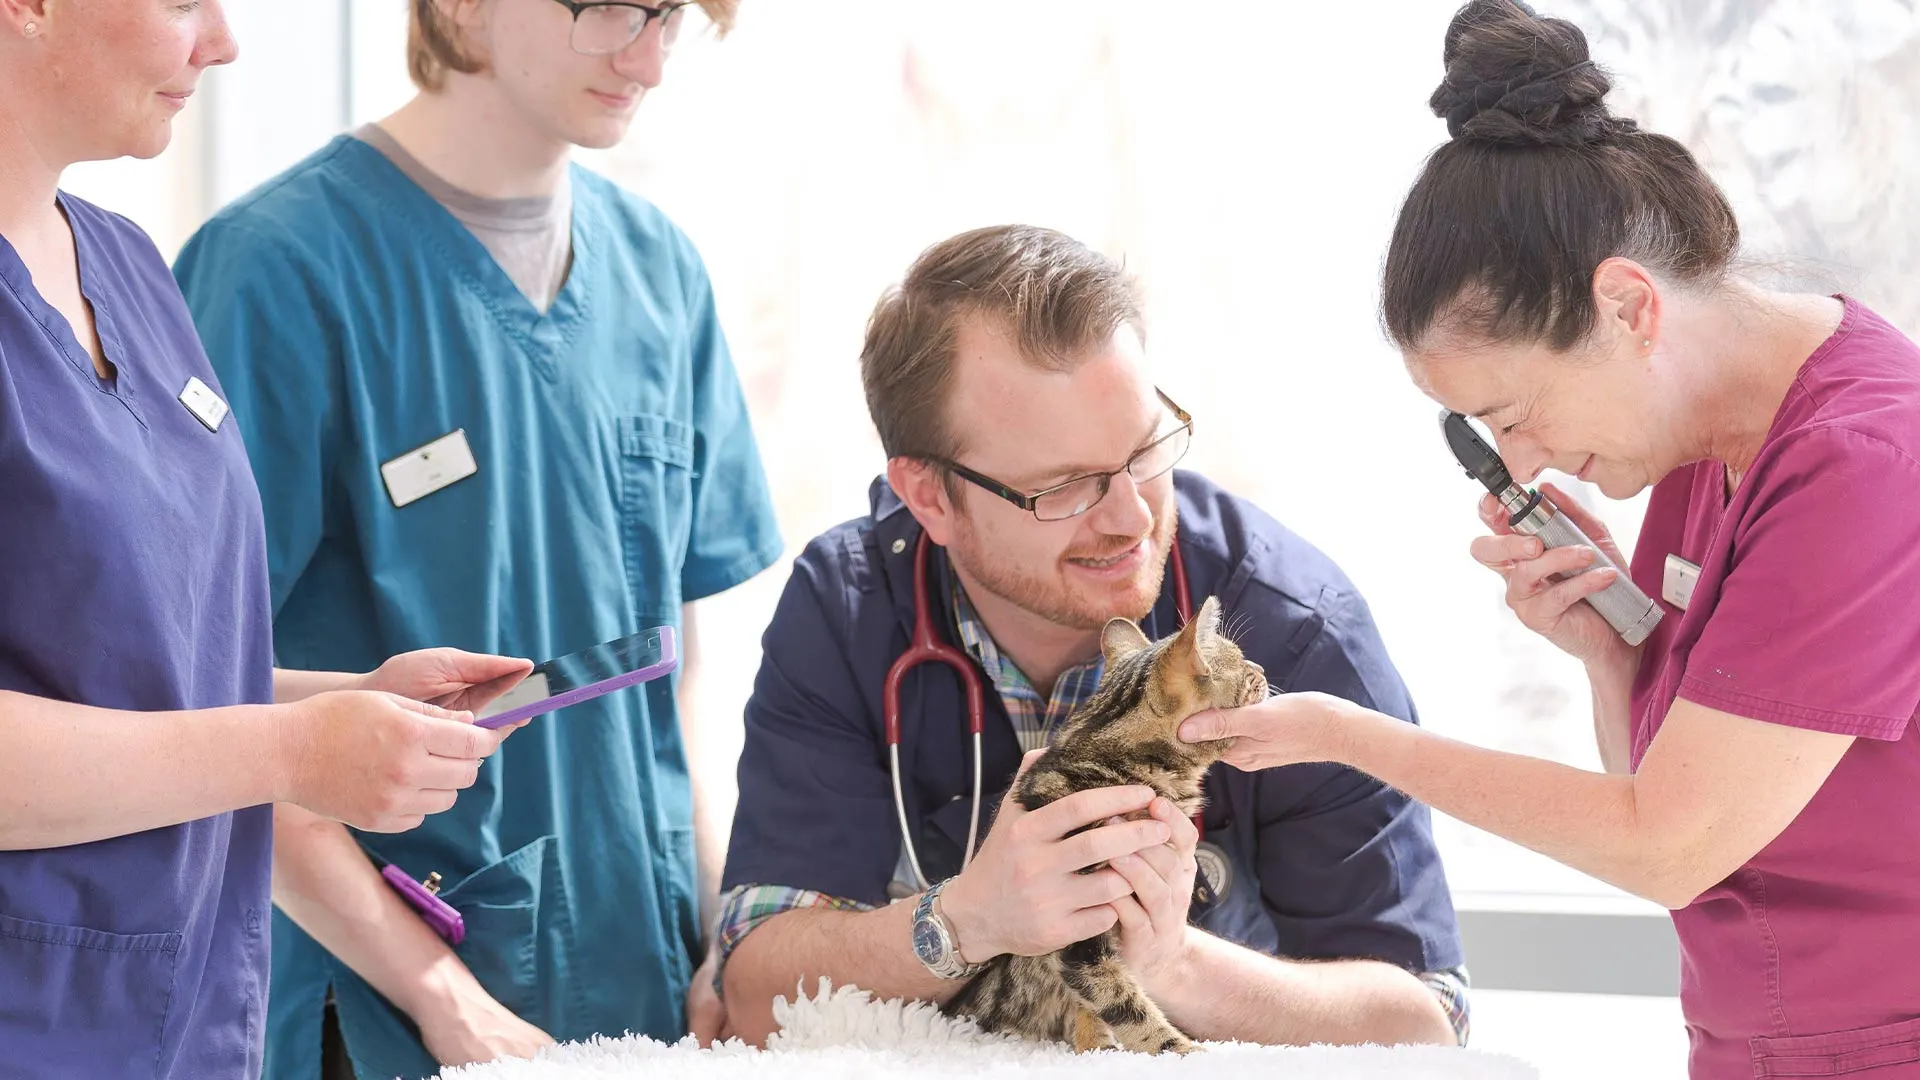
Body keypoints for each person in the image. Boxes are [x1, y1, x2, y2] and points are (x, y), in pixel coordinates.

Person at [1180, 3, 1920, 1078]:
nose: (1519, 468)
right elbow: (1668, 806)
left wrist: (1354, 736)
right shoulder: (1698, 448)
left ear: (1627, 308)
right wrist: (1614, 656)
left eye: (1514, 416)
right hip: (1751, 1043)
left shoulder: (1866, 468)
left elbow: (1670, 846)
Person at [170, 1, 782, 1078]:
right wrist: (440, 996)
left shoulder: (661, 277)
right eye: (610, 9)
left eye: (672, 15)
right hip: (390, 1016)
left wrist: (728, 939)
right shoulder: (276, 269)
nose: (647, 54)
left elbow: (665, 689)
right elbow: (202, 714)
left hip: (650, 992)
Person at [715, 224, 1470, 1050]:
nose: (1132, 518)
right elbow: (753, 996)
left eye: (1146, 451)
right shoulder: (847, 610)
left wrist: (1174, 961)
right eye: (1064, 487)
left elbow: (1423, 1026)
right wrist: (965, 921)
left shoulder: (1292, 625)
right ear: (928, 497)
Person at [0, 3, 531, 1078]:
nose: (225, 42)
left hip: (188, 1020)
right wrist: (294, 753)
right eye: (184, 2)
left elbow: (146, 670)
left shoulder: (129, 268)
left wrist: (350, 705)